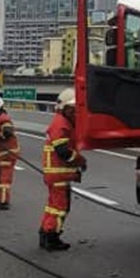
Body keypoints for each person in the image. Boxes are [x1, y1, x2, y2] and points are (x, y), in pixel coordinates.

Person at [38, 88, 87, 251]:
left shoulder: (61, 122)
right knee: (61, 208)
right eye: (74, 109)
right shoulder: (61, 124)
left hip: (56, 174)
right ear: (65, 108)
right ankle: (52, 237)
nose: (76, 113)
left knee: (52, 206)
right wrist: (80, 160)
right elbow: (64, 152)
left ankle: (45, 233)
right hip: (58, 175)